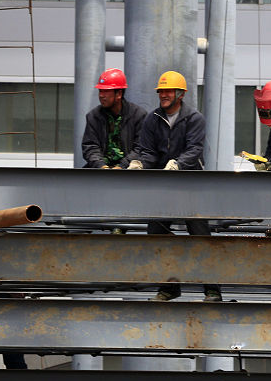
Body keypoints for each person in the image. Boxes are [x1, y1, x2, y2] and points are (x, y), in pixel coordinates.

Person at [127, 71, 220, 302]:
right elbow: (148, 151)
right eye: (161, 91)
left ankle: (212, 290)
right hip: (164, 186)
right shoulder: (153, 119)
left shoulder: (194, 118)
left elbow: (194, 149)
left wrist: (179, 164)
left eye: (168, 91)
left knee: (200, 237)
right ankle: (169, 287)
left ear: (180, 94)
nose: (163, 95)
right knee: (157, 234)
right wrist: (140, 163)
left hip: (190, 185)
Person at [81, 68, 147, 169]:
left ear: (119, 94)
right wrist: (101, 166)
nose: (101, 95)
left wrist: (121, 167)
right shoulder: (93, 116)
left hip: (129, 172)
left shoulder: (138, 115)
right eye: (100, 91)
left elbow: (140, 148)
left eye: (106, 91)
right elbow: (90, 147)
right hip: (99, 171)